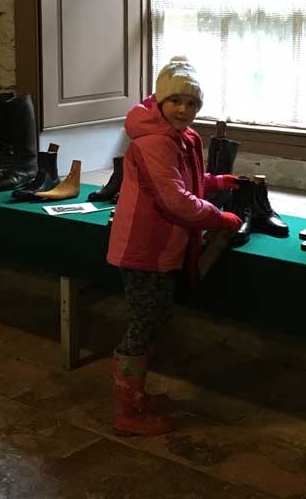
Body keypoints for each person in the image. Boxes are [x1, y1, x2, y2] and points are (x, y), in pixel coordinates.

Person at [106, 55, 242, 436]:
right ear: (160, 101)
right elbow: (175, 200)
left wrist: (216, 182)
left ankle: (137, 396)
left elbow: (184, 181)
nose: (184, 109)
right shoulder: (155, 142)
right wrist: (218, 217)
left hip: (160, 246)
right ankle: (126, 411)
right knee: (144, 324)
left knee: (155, 320)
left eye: (192, 102)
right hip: (144, 247)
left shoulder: (179, 137)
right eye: (176, 100)